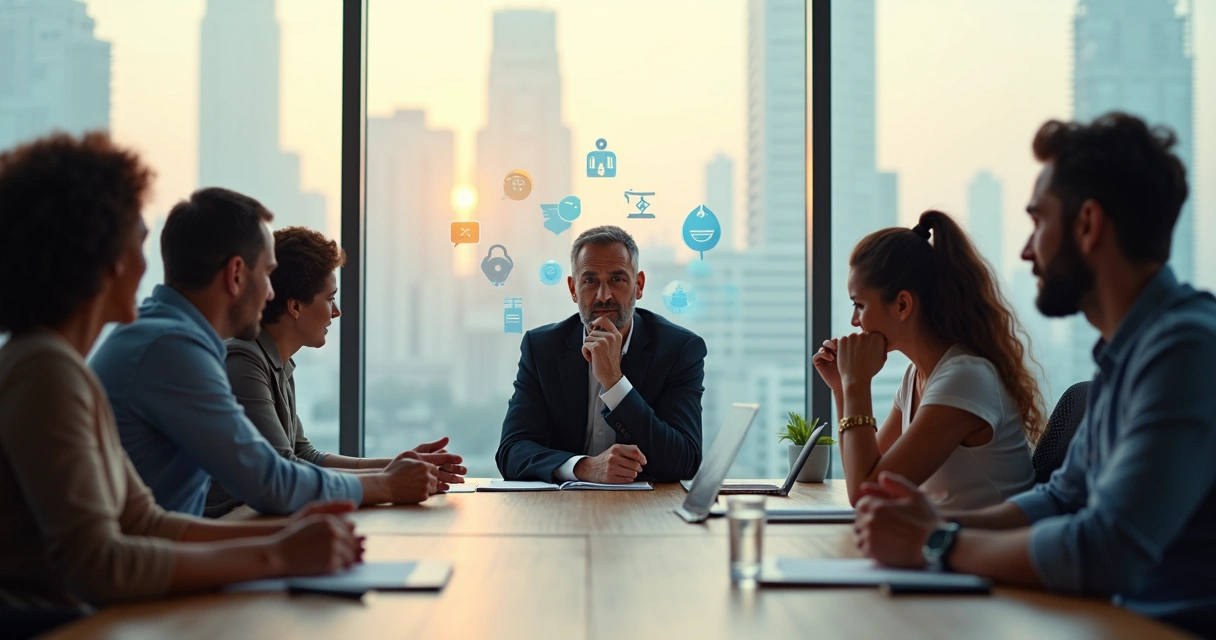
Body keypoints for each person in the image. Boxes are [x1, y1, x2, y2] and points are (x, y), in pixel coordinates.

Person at [855, 113, 1216, 636]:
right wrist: (933, 525)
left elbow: (1104, 551)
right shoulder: (1130, 351)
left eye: (1038, 221)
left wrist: (936, 544)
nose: (1027, 250)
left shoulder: (1186, 349)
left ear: (1088, 226)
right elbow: (1062, 498)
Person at [0, 133, 363, 627]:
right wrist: (275, 557)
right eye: (139, 243)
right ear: (106, 259)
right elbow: (98, 565)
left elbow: (143, 522)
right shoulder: (44, 371)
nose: (149, 267)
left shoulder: (61, 368)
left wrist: (278, 544)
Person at [90, 187, 456, 517]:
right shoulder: (174, 349)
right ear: (236, 274)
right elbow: (273, 480)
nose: (270, 293)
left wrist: (394, 470)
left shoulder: (171, 338)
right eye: (267, 274)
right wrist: (388, 485)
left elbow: (290, 463)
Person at [207, 227, 466, 517]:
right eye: (330, 298)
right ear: (294, 306)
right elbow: (286, 471)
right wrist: (388, 482)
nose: (337, 312)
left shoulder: (275, 360)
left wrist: (397, 465)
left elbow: (304, 456)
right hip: (228, 526)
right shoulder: (243, 360)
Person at [813, 210, 1040, 509]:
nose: (855, 321)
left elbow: (865, 493)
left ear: (903, 305)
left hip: (987, 550)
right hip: (943, 545)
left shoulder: (965, 377)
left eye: (860, 305)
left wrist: (857, 383)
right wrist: (842, 389)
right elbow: (868, 470)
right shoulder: (916, 376)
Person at [496, 225, 706, 484]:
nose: (603, 295)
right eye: (590, 280)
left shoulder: (678, 350)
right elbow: (511, 452)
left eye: (617, 279)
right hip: (560, 512)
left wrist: (616, 383)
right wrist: (584, 467)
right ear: (573, 289)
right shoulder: (542, 348)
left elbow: (684, 462)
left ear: (638, 285)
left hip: (645, 512)